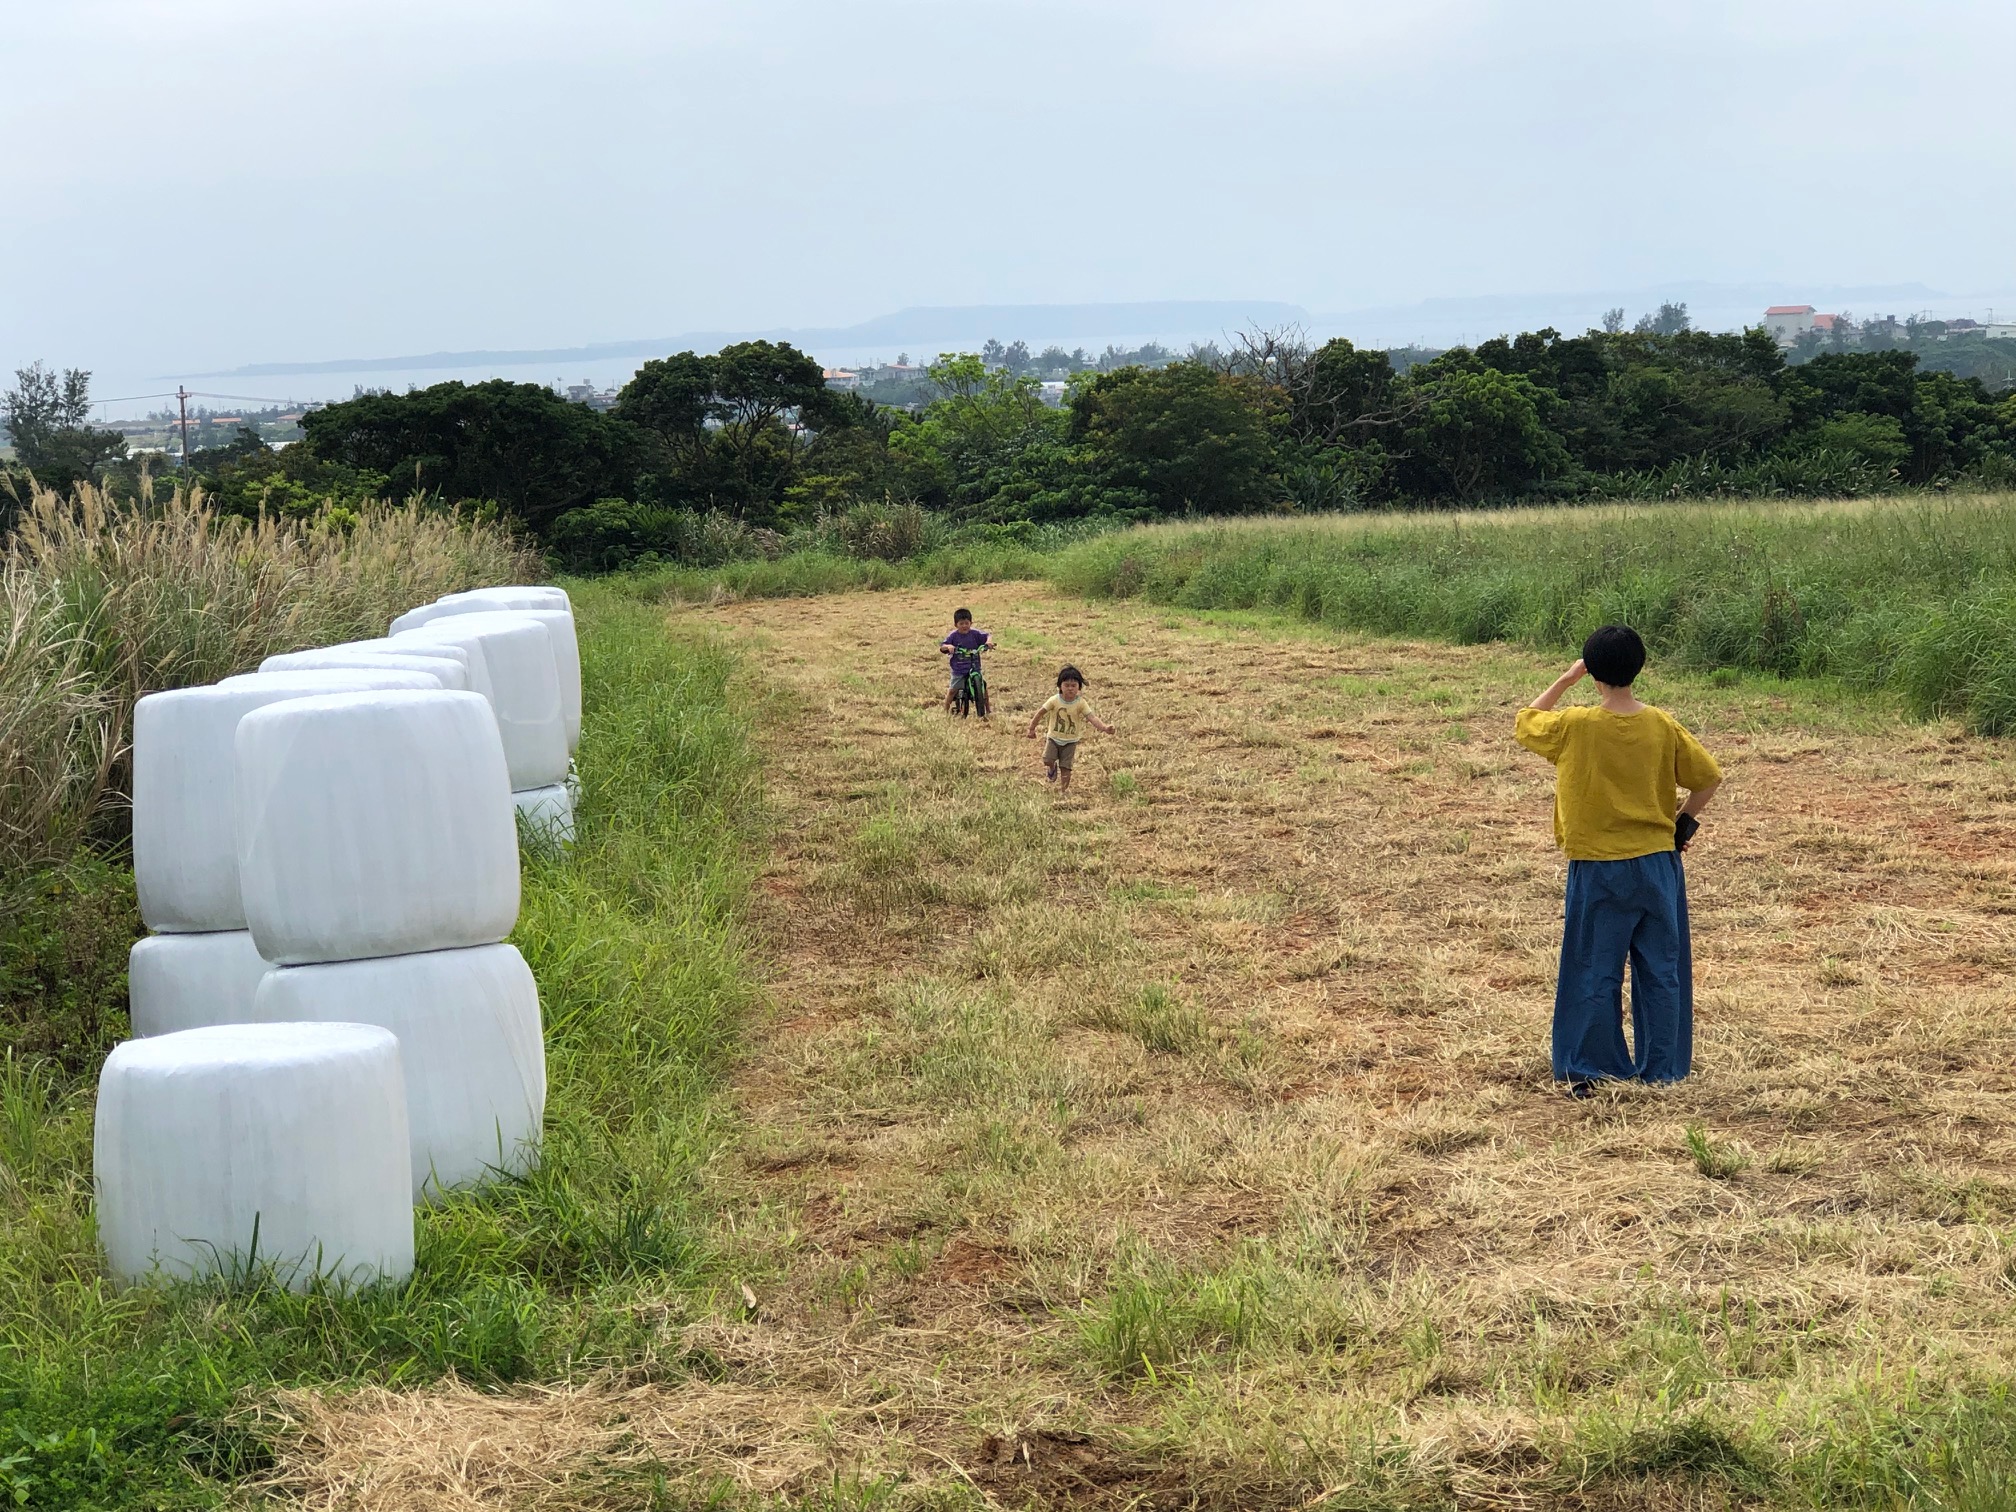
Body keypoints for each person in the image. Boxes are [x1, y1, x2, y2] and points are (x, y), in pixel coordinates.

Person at [1514, 626, 1722, 1093]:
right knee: (1661, 969)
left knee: (1593, 968)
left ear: (1592, 674)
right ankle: (1663, 1070)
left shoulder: (1575, 725)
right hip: (1656, 865)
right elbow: (1708, 779)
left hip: (1598, 867)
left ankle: (1591, 1070)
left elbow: (1526, 720)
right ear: (1639, 668)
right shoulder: (1662, 725)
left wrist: (1565, 681)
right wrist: (1681, 826)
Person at [1025, 664, 1113, 792]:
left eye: (1074, 686)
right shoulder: (1054, 700)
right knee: (1047, 759)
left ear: (1079, 687)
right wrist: (1031, 728)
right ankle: (1051, 768)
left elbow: (1092, 718)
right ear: (1060, 686)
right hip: (1054, 738)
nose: (1070, 689)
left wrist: (1105, 728)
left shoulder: (1080, 703)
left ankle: (1063, 791)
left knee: (1066, 767)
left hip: (1070, 741)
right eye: (1066, 685)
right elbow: (1040, 713)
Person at [939, 607, 993, 716]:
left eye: (967, 623)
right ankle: (945, 710)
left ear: (971, 623)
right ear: (956, 625)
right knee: (952, 690)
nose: (964, 626)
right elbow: (943, 646)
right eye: (961, 624)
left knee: (984, 689)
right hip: (959, 669)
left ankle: (988, 710)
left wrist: (988, 642)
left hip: (974, 667)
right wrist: (948, 646)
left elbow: (988, 635)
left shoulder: (975, 634)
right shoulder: (953, 636)